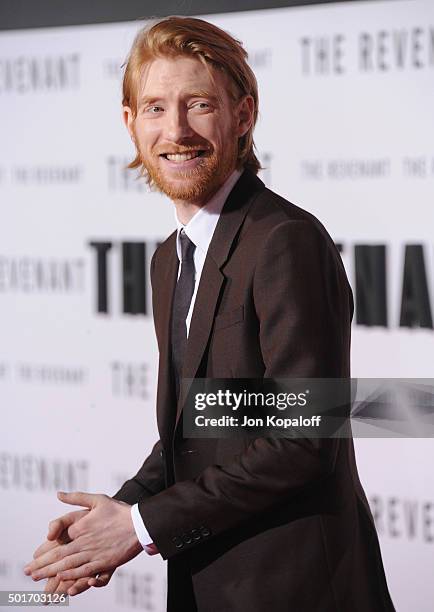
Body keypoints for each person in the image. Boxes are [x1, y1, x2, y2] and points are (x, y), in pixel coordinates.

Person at [24, 16, 395, 612]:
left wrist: (142, 527)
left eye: (199, 105)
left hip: (297, 590)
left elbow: (302, 442)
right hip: (208, 582)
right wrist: (115, 519)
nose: (176, 130)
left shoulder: (285, 240)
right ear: (130, 124)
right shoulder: (169, 261)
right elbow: (200, 431)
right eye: (154, 108)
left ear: (243, 116)